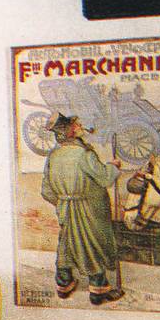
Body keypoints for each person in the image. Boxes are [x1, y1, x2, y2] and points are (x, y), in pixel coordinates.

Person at [40, 113, 124, 305]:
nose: (80, 126)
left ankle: (64, 285)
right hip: (88, 209)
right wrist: (113, 167)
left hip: (65, 209)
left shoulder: (53, 155)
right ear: (69, 132)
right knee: (91, 244)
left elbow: (46, 191)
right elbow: (104, 178)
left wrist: (64, 201)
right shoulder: (84, 154)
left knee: (66, 246)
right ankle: (98, 290)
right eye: (76, 125)